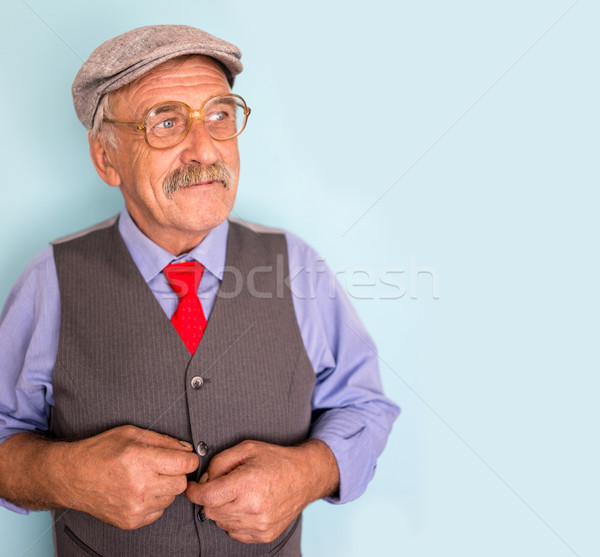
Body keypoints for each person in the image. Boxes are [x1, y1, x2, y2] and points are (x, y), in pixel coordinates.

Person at [0, 25, 399, 556]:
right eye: (165, 122)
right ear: (105, 159)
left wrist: (311, 470)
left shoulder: (298, 265)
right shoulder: (50, 278)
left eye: (219, 116)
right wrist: (63, 474)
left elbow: (363, 405)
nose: (203, 149)